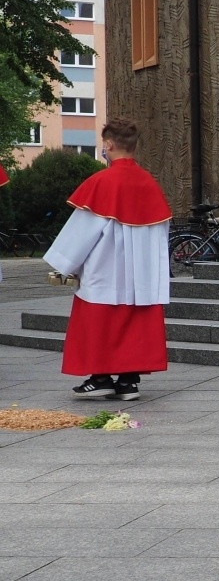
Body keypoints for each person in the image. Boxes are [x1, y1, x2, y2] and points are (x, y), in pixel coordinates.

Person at [42, 118, 170, 401]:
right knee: (136, 323)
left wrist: (65, 265)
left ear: (109, 145)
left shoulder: (101, 182)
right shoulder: (150, 184)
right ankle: (128, 382)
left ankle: (100, 377)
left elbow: (81, 233)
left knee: (97, 321)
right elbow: (160, 234)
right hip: (142, 276)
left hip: (105, 269)